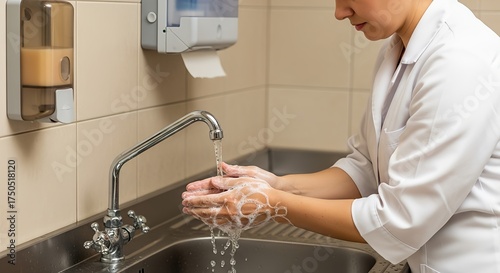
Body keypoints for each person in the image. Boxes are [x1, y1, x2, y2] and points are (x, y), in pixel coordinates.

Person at [182, 0, 500, 272]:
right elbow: (364, 167)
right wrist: (277, 185)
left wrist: (273, 204)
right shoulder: (399, 50)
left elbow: (401, 219)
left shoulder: (460, 61)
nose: (339, 12)